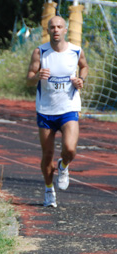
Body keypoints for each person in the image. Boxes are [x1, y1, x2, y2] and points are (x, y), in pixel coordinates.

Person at [27, 15, 89, 208]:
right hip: (45, 109)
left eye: (59, 26)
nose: (56, 30)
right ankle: (48, 189)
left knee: (70, 149)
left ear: (65, 30)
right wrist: (37, 76)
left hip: (68, 108)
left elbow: (84, 67)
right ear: (48, 30)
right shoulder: (40, 52)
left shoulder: (75, 51)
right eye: (52, 27)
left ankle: (63, 165)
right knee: (47, 155)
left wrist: (81, 80)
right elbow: (28, 78)